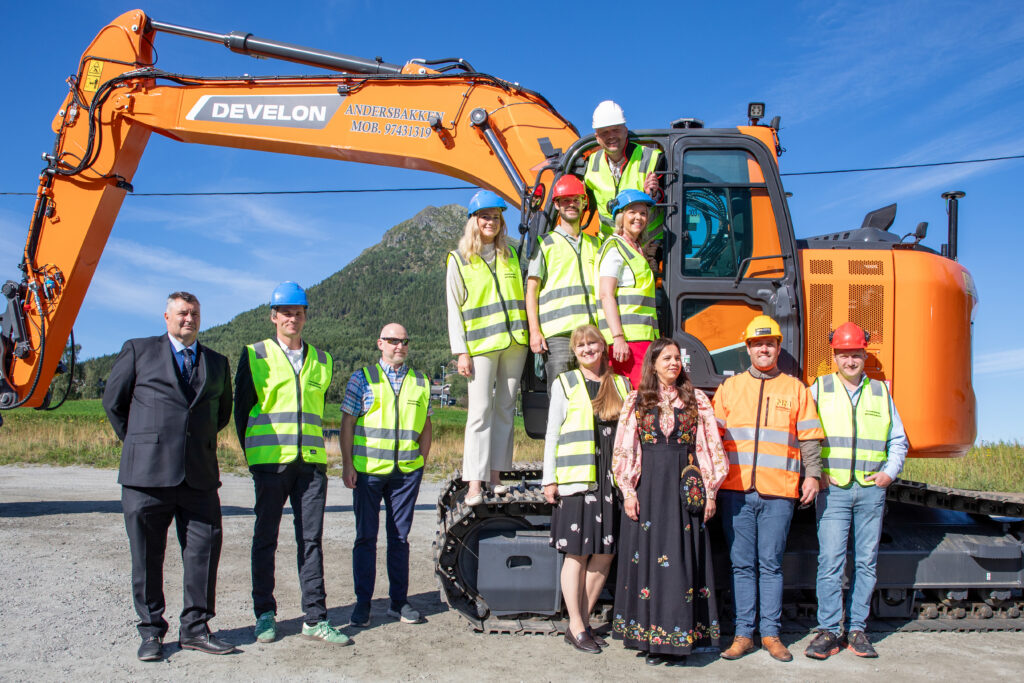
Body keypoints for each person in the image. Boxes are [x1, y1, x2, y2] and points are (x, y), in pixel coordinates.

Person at [103, 292, 235, 661]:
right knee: (147, 556)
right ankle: (150, 632)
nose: (189, 319)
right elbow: (114, 403)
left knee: (203, 553)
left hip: (199, 476)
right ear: (166, 317)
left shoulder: (216, 362)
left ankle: (195, 629)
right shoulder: (138, 351)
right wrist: (142, 442)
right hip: (146, 476)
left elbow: (221, 413)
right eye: (182, 313)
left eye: (195, 313)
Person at [234, 282, 349, 646]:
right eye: (285, 313)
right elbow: (241, 412)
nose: (292, 319)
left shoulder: (323, 360)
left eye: (298, 313)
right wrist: (254, 456)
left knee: (311, 541)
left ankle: (315, 618)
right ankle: (264, 615)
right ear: (274, 317)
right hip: (271, 464)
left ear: (305, 316)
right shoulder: (255, 355)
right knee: (265, 538)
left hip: (311, 466)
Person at [713, 315, 825, 662]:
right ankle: (743, 635)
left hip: (779, 493)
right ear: (747, 348)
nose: (764, 349)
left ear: (778, 348)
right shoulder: (730, 388)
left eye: (770, 344)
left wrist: (812, 475)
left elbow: (809, 437)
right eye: (758, 344)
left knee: (771, 565)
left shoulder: (795, 389)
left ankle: (771, 634)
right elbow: (711, 439)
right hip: (736, 491)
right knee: (741, 565)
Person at [610, 338, 728, 666]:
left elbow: (709, 446)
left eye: (677, 358)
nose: (674, 363)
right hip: (648, 489)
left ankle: (678, 640)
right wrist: (628, 491)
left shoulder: (696, 400)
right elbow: (625, 447)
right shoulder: (636, 400)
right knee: (649, 560)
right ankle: (651, 639)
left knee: (679, 562)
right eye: (667, 358)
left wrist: (710, 491)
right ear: (653, 363)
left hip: (682, 489)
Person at [804, 323, 908, 660]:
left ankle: (857, 630)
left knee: (865, 563)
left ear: (865, 355)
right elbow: (803, 434)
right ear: (834, 356)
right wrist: (816, 472)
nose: (850, 361)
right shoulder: (819, 389)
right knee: (830, 562)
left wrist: (889, 473)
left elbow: (898, 440)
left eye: (856, 355)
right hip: (833, 490)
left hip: (870, 491)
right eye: (844, 355)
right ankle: (828, 630)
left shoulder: (880, 392)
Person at [542, 324, 631, 654]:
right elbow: (553, 433)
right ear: (574, 352)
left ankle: (579, 621)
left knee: (605, 553)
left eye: (592, 343)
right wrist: (549, 479)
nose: (587, 349)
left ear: (603, 347)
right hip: (579, 478)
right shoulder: (564, 383)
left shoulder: (621, 384)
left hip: (612, 480)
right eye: (580, 346)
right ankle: (578, 625)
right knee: (577, 553)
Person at [340, 323, 432, 627]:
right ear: (380, 343)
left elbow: (426, 425)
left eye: (404, 341)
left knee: (400, 539)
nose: (399, 346)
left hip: (405, 475)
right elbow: (348, 423)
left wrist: (421, 462)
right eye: (393, 341)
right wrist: (347, 464)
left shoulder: (421, 381)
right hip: (368, 473)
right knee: (366, 538)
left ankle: (398, 602)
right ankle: (363, 604)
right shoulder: (362, 378)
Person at [446, 189, 528, 505]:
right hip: (480, 345)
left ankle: (496, 477)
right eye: (485, 217)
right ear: (474, 221)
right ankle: (474, 484)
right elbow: (454, 308)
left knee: (505, 410)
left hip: (515, 342)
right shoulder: (459, 259)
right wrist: (461, 351)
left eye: (495, 217)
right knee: (479, 413)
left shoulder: (512, 254)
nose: (491, 222)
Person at [526, 175, 600, 393]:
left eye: (576, 200)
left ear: (584, 203)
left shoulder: (595, 244)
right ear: (557, 205)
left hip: (590, 334)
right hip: (558, 336)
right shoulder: (544, 243)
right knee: (561, 396)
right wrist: (534, 332)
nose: (571, 204)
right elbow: (531, 291)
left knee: (592, 396)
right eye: (565, 200)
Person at [596, 189, 659, 388]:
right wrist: (618, 338)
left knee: (645, 394)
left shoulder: (636, 248)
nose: (638, 217)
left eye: (643, 213)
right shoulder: (615, 249)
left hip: (642, 338)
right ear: (620, 217)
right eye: (632, 212)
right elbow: (606, 295)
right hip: (627, 342)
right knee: (633, 395)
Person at [583, 100, 665, 241]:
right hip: (612, 244)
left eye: (616, 130)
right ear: (597, 137)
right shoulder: (590, 164)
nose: (611, 136)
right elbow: (582, 203)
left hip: (648, 244)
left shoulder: (652, 158)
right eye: (605, 132)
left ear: (625, 131)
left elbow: (674, 199)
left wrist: (654, 195)